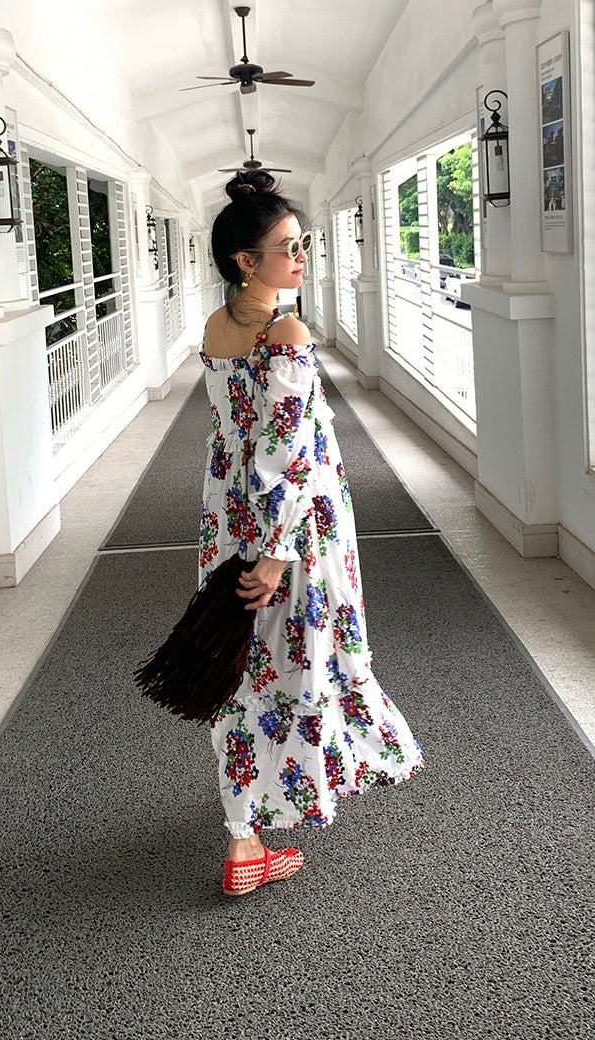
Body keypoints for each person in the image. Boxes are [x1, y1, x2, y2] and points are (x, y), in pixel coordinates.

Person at [200, 169, 424, 896]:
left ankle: (245, 825)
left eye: (303, 244)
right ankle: (266, 820)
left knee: (243, 665)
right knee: (299, 659)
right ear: (246, 261)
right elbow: (290, 456)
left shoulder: (217, 328)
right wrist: (276, 554)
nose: (301, 258)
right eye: (288, 248)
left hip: (227, 516)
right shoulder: (285, 331)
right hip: (294, 530)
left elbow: (239, 440)